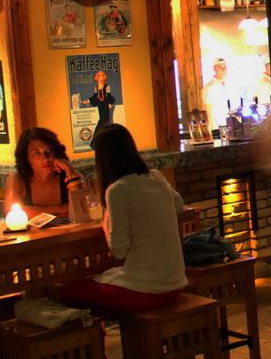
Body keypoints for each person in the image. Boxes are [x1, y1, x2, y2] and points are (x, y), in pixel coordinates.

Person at [56, 124, 187, 312]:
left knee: (67, 291)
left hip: (146, 290)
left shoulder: (118, 190)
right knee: (97, 283)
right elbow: (179, 205)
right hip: (175, 283)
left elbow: (118, 251)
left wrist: (105, 222)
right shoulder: (156, 176)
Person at [5, 127, 84, 218]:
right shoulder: (17, 179)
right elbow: (11, 213)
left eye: (49, 151)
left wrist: (69, 169)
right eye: (36, 153)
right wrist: (60, 209)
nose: (45, 158)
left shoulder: (67, 175)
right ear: (26, 158)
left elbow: (81, 208)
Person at [82, 70, 116, 145]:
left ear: (104, 77)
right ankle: (97, 141)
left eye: (102, 75)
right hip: (100, 106)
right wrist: (88, 101)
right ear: (97, 77)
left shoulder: (106, 86)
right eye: (99, 75)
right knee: (103, 122)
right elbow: (95, 97)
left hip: (106, 105)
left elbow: (109, 96)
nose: (100, 77)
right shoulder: (96, 87)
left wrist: (110, 103)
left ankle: (97, 141)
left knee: (105, 122)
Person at [203, 57, 231, 134]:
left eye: (225, 66)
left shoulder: (230, 84)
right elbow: (208, 110)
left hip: (231, 127)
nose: (223, 69)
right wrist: (211, 130)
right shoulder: (210, 87)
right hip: (217, 129)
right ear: (214, 68)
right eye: (220, 67)